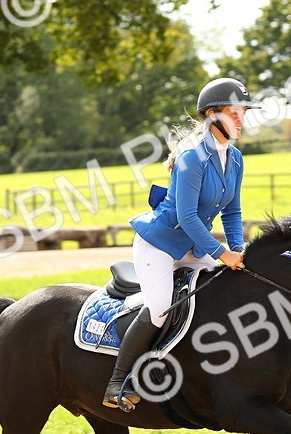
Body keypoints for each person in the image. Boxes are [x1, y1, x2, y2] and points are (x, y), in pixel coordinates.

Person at [103, 77, 258, 410]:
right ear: (212, 115)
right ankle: (118, 381)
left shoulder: (236, 159)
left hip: (195, 248)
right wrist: (222, 253)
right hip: (159, 245)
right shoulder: (191, 159)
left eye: (243, 113)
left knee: (216, 300)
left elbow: (232, 211)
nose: (241, 120)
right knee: (160, 308)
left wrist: (238, 249)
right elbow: (187, 218)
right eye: (235, 113)